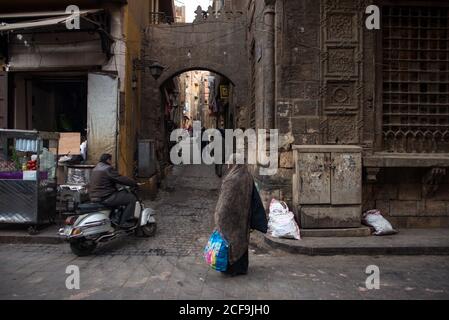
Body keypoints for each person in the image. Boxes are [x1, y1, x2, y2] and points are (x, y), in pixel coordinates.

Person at [213, 156, 268, 276]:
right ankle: (241, 268)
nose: (228, 165)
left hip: (230, 218)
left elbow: (224, 202)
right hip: (243, 217)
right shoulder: (247, 176)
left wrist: (218, 216)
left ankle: (231, 269)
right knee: (241, 241)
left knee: (230, 241)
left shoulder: (231, 179)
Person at [89, 153, 138, 228]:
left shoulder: (95, 169)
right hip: (105, 196)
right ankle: (124, 222)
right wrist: (134, 183)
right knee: (131, 198)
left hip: (94, 196)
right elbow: (120, 178)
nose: (111, 162)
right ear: (108, 160)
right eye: (111, 160)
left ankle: (115, 218)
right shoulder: (107, 169)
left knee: (119, 196)